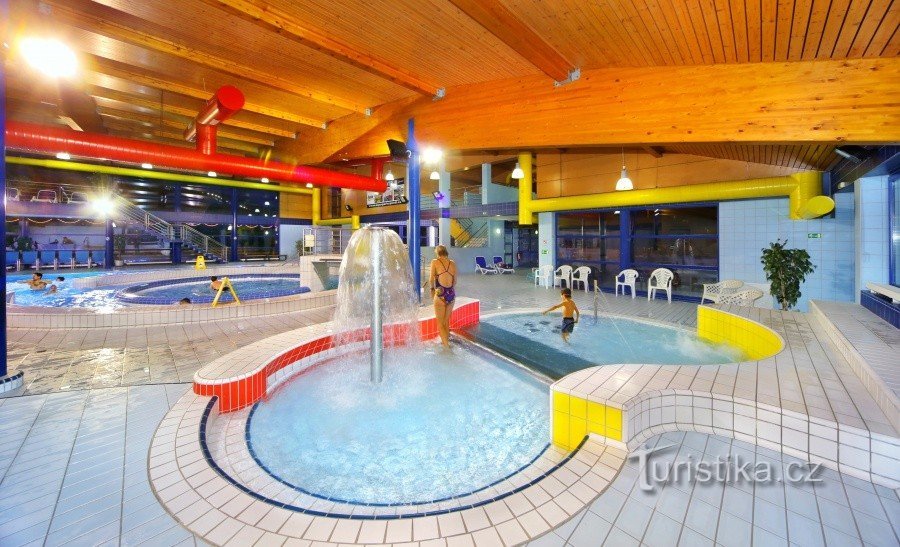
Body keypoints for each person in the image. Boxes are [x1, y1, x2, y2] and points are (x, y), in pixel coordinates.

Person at [429, 245, 457, 349]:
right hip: (451, 295)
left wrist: (432, 290)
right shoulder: (452, 263)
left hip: (440, 294)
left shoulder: (435, 262)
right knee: (446, 321)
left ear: (437, 253)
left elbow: (431, 279)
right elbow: (455, 282)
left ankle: (447, 348)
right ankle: (446, 340)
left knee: (440, 324)